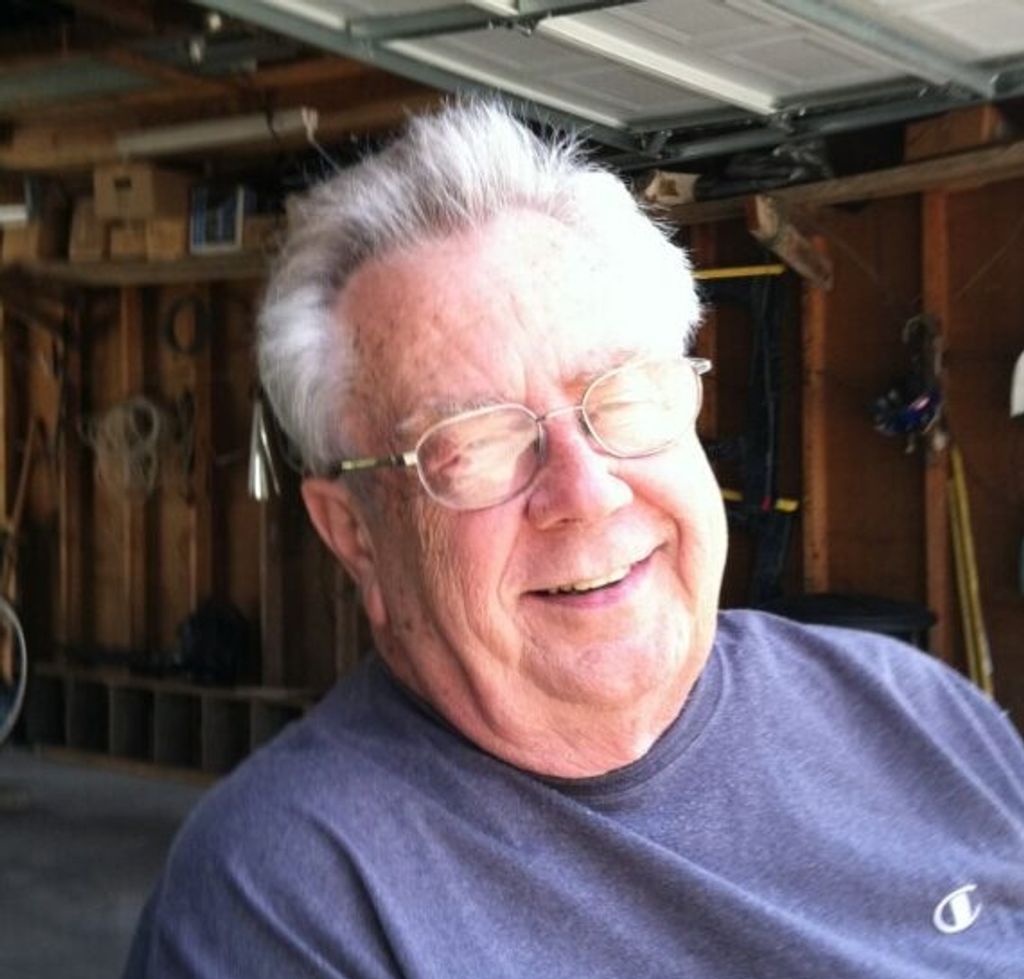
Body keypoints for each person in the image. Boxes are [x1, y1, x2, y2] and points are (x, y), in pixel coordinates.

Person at [123, 100, 1024, 978]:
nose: (587, 492)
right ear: (355, 533)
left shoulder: (919, 715)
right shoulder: (287, 896)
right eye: (475, 443)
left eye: (623, 396)